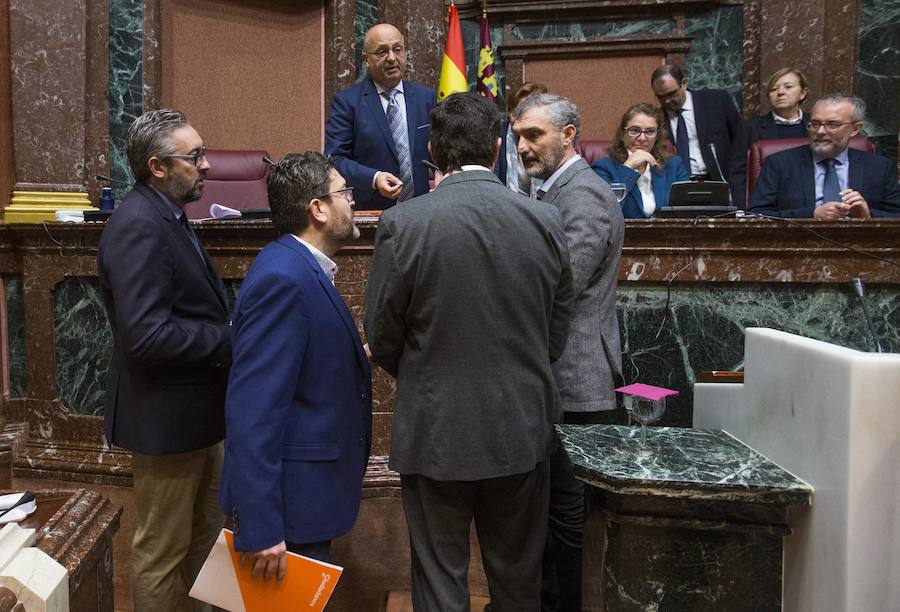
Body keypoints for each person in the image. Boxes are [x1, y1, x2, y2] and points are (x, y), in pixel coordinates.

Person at [364, 92, 574, 611]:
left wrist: (426, 371)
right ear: (499, 148)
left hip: (436, 428)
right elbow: (556, 332)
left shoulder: (404, 223)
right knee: (517, 582)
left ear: (433, 150)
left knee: (439, 583)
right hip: (520, 429)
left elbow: (382, 335)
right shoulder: (545, 221)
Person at [97, 109, 231, 612]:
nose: (206, 165)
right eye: (194, 156)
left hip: (196, 415)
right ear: (157, 166)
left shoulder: (168, 214)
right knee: (162, 552)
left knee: (204, 542)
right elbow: (147, 336)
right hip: (165, 419)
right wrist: (230, 340)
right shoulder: (139, 225)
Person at [220, 152, 371, 577]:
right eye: (345, 191)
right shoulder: (284, 280)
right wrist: (262, 526)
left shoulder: (298, 266)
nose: (353, 201)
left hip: (303, 499)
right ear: (317, 208)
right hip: (287, 510)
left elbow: (299, 364)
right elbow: (253, 410)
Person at [512, 93, 624, 612]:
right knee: (553, 517)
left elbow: (562, 285)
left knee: (568, 522)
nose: (522, 146)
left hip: (577, 383)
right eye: (516, 136)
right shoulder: (552, 192)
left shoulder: (584, 196)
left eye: (533, 135)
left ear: (569, 134)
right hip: (557, 378)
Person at [324, 23, 437, 210]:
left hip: (421, 212)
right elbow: (335, 158)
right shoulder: (347, 102)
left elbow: (439, 149)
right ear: (366, 59)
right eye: (382, 52)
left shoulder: (425, 98)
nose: (392, 58)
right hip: (373, 212)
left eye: (397, 49)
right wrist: (374, 178)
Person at [748, 94, 900, 218]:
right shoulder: (780, 164)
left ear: (855, 128)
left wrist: (867, 215)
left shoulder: (879, 167)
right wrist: (812, 214)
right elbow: (757, 215)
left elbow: (896, 215)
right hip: (797, 248)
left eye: (832, 125)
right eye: (815, 124)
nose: (820, 131)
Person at [651, 64, 743, 207]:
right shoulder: (657, 118)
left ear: (684, 84)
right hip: (680, 186)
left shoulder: (716, 101)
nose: (667, 101)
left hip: (719, 181)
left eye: (671, 94)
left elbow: (740, 142)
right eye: (661, 97)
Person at [593, 102, 689, 218]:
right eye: (634, 130)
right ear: (623, 134)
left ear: (657, 136)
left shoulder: (673, 165)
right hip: (625, 235)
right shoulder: (603, 168)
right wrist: (628, 167)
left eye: (650, 131)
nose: (642, 138)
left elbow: (686, 210)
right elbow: (604, 212)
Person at [731, 68, 810, 207]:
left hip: (810, 198)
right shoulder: (750, 128)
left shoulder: (817, 125)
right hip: (768, 202)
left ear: (803, 93)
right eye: (774, 89)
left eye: (788, 87)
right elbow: (738, 173)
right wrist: (743, 209)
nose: (780, 92)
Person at [495, 81, 549, 196]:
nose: (524, 116)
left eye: (529, 110)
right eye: (518, 110)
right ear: (509, 113)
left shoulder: (553, 137)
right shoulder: (497, 137)